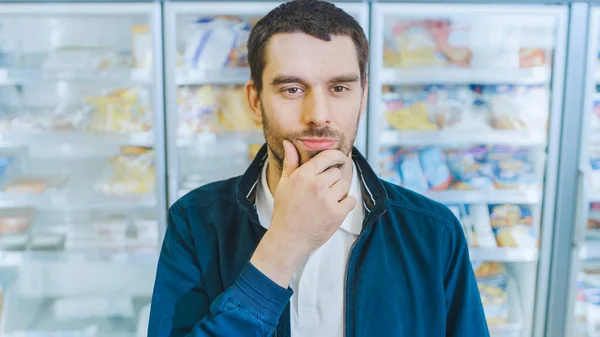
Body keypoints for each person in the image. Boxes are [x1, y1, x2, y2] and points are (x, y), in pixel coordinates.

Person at [149, 1, 489, 336]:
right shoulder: (195, 222)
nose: (318, 114)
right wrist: (283, 246)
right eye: (293, 89)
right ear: (255, 101)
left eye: (339, 88)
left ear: (363, 97)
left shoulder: (434, 232)